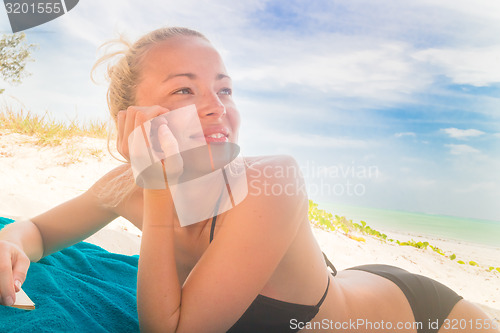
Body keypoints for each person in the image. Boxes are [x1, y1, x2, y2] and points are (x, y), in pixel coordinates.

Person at [0, 27, 497, 333]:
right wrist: (10, 241)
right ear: (133, 119)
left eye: (225, 88)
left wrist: (157, 190)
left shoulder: (269, 181)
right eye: (184, 89)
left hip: (419, 316)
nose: (217, 104)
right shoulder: (121, 187)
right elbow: (39, 232)